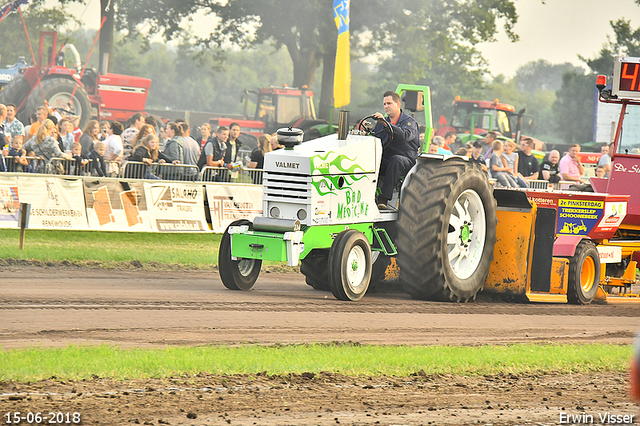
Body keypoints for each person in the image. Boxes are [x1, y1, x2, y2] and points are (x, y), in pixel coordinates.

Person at [372, 90, 420, 209]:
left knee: (396, 160)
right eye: (384, 104)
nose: (386, 107)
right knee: (370, 159)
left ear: (398, 104)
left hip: (405, 159)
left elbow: (405, 136)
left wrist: (386, 125)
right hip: (386, 158)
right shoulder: (381, 123)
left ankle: (383, 199)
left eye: (389, 103)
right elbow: (376, 139)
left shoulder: (409, 122)